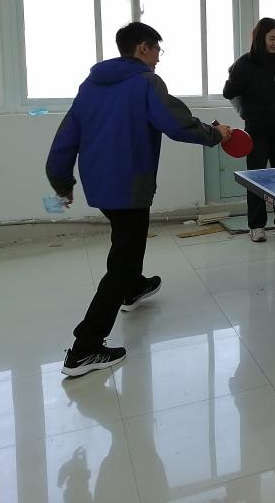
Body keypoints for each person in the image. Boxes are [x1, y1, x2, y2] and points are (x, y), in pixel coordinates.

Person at [47, 22, 231, 378]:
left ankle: (133, 289)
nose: (159, 57)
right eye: (157, 50)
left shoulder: (90, 86)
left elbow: (66, 136)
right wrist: (215, 134)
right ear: (143, 48)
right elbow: (176, 123)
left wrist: (61, 181)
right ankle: (85, 348)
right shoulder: (146, 82)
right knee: (123, 258)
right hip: (130, 187)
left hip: (100, 186)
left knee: (127, 240)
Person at [223, 17, 275, 243]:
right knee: (256, 178)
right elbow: (229, 92)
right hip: (256, 128)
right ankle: (256, 225)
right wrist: (245, 106)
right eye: (272, 38)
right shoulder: (245, 63)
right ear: (260, 38)